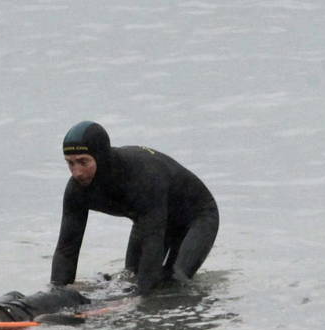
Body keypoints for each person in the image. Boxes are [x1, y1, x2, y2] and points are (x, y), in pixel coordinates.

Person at [52, 120, 219, 295]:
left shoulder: (142, 177)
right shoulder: (76, 191)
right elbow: (67, 249)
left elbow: (152, 243)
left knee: (176, 279)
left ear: (101, 158)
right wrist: (57, 294)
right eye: (70, 163)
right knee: (130, 278)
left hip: (197, 217)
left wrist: (138, 301)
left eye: (83, 162)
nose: (77, 172)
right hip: (149, 217)